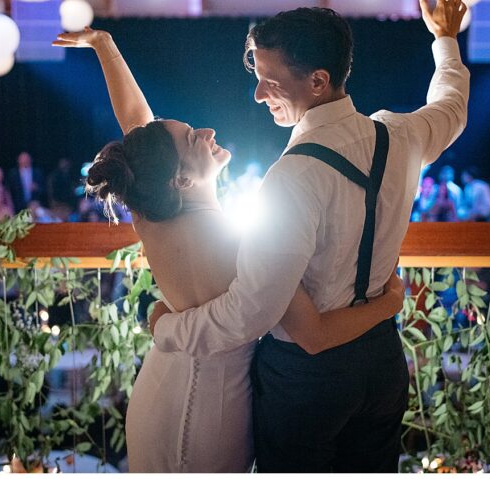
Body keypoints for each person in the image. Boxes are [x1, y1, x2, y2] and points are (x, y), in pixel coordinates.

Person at [149, 0, 470, 471]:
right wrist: (444, 39)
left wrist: (169, 329)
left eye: (269, 81)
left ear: (318, 81)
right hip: (383, 362)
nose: (257, 95)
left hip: (306, 380)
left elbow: (249, 313)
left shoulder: (290, 178)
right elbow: (452, 106)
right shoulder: (400, 136)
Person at [52, 27, 405, 473]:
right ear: (180, 179)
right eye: (191, 139)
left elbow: (137, 124)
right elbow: (313, 333)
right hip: (209, 410)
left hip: (164, 382)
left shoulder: (151, 208)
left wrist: (105, 46)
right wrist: (389, 303)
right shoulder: (238, 242)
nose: (207, 132)